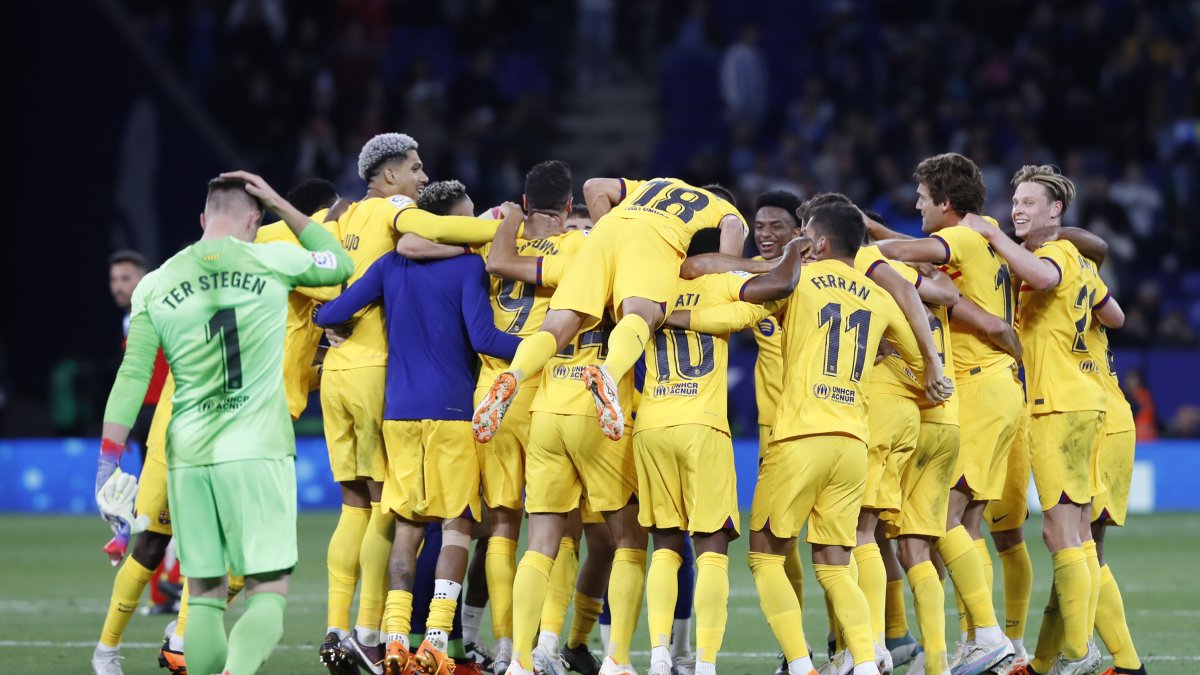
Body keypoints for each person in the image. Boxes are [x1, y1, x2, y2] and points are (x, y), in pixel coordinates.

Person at [95, 171, 354, 675]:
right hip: (258, 447)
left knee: (206, 597)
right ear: (256, 218)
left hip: (188, 451)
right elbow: (339, 262)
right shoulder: (273, 260)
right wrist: (282, 201)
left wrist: (107, 463)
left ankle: (118, 651)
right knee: (267, 594)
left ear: (201, 218)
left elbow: (132, 378)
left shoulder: (157, 282)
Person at [316, 133, 503, 674]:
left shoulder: (387, 267)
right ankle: (437, 644)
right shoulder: (467, 266)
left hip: (397, 410)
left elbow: (330, 314)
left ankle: (394, 639)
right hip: (449, 412)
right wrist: (550, 346)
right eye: (464, 220)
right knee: (460, 526)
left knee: (405, 526)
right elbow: (485, 339)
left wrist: (339, 331)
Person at [736, 202, 928, 675]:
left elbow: (745, 295)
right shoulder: (878, 294)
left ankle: (802, 667)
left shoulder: (798, 279)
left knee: (764, 555)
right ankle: (866, 662)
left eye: (804, 234)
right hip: (853, 442)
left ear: (818, 242)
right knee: (836, 562)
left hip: (801, 434)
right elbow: (919, 359)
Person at [956, 165, 1123, 675]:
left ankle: (1079, 651)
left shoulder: (1050, 256)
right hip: (1086, 401)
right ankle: (1074, 652)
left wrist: (991, 235)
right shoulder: (1078, 260)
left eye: (1031, 202)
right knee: (1072, 534)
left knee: (1060, 534)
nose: (1018, 209)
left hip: (1058, 404)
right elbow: (1114, 317)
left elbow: (1045, 276)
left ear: (1056, 212)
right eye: (1016, 201)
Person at [871, 153, 1019, 673]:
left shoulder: (955, 240)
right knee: (966, 525)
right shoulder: (986, 232)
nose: (915, 204)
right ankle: (980, 638)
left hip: (975, 385)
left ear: (946, 203)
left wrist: (854, 246)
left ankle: (988, 634)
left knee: (944, 521)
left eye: (922, 198)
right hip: (996, 390)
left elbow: (911, 252)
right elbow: (922, 254)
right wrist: (869, 227)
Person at [473, 177, 747, 444]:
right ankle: (609, 375)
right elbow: (729, 262)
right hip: (650, 240)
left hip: (603, 234)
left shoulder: (654, 184)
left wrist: (610, 246)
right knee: (641, 316)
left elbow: (593, 187)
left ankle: (515, 374)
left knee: (556, 328)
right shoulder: (725, 209)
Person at [636, 230, 772, 675]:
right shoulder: (724, 283)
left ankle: (658, 656)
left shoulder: (645, 284)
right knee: (711, 547)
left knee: (664, 546)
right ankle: (706, 663)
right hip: (702, 426)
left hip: (652, 423)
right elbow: (767, 298)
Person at [109, 250, 169, 467]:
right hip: (144, 415)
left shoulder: (160, 313)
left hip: (163, 412)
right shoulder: (128, 319)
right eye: (114, 279)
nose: (118, 287)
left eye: (125, 278)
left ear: (144, 279)